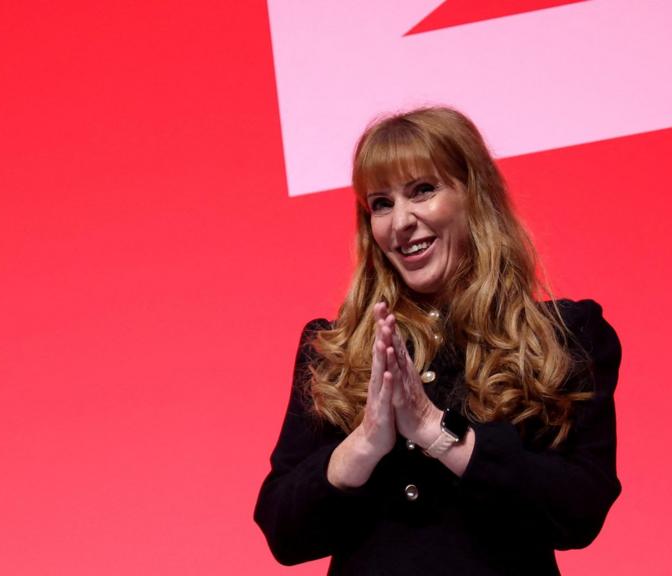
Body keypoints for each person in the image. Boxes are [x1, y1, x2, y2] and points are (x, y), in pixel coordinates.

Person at [253, 107, 621, 575]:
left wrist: (434, 430)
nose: (399, 222)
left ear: (475, 195)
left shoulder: (563, 335)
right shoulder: (334, 350)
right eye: (381, 203)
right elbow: (283, 531)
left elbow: (579, 511)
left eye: (422, 191)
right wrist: (365, 442)